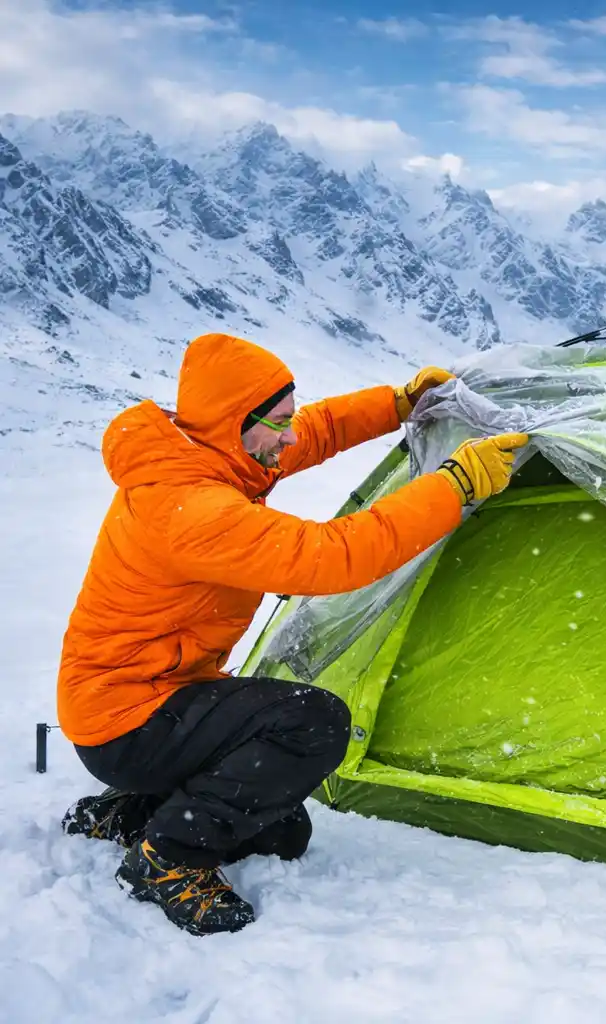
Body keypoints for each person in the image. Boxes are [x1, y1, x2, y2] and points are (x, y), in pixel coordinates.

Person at [58, 331, 527, 936]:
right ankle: (167, 859)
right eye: (276, 423)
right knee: (314, 722)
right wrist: (454, 485)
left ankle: (136, 811)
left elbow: (312, 432)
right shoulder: (193, 510)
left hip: (143, 701)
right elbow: (333, 556)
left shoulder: (207, 450)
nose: (287, 435)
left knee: (282, 830)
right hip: (126, 720)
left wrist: (399, 403)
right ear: (235, 423)